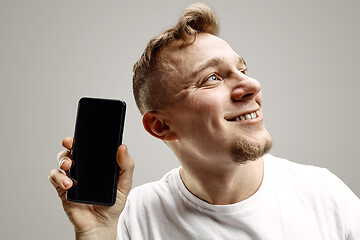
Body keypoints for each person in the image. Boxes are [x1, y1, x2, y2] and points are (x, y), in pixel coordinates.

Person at [49, 3, 360, 240]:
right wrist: (97, 234)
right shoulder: (130, 220)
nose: (251, 86)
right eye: (212, 78)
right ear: (161, 127)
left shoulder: (324, 196)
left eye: (243, 68)